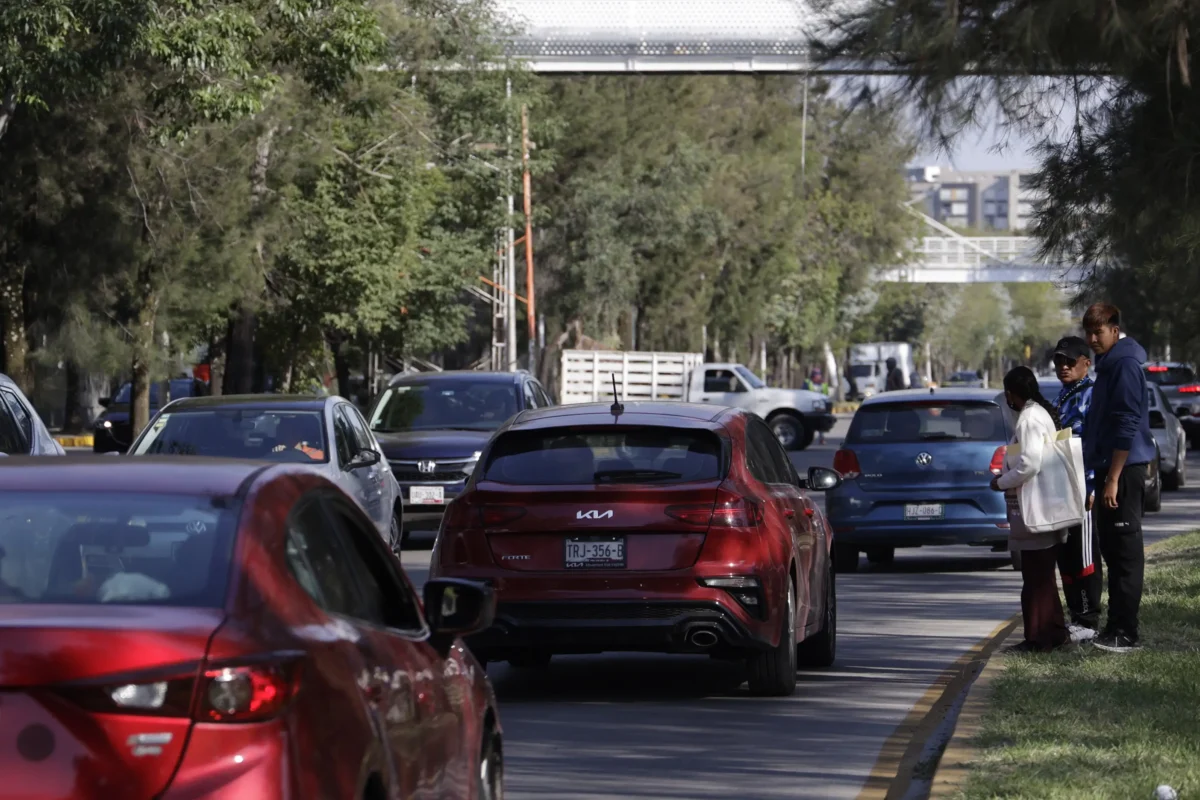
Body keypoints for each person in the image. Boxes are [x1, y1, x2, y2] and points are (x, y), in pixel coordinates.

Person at [1081, 303, 1155, 653]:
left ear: (1115, 330)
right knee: (1112, 550)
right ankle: (1114, 628)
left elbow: (1126, 424)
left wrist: (1112, 478)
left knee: (1126, 556)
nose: (1093, 339)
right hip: (1109, 469)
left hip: (1123, 470)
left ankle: (1126, 633)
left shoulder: (1124, 365)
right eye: (1089, 332)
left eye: (1099, 332)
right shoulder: (1110, 364)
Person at [991, 366, 1069, 653]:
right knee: (1042, 576)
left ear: (1011, 394)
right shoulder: (1038, 413)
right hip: (1043, 505)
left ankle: (1039, 639)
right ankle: (1054, 633)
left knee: (1036, 578)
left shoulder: (1029, 418)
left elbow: (1030, 464)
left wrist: (1001, 482)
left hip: (1037, 508)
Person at [1051, 336, 1103, 642]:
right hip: (1062, 486)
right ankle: (1075, 616)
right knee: (1067, 554)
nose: (1063, 366)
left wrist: (1092, 485)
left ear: (1086, 362)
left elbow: (1094, 443)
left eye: (1070, 361)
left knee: (1084, 556)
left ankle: (1088, 618)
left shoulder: (1091, 395)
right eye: (1059, 361)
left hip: (1083, 486)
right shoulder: (1063, 395)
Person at [803, 368, 832, 443]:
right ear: (812, 376)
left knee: (821, 423)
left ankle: (821, 438)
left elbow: (826, 395)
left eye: (819, 375)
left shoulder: (824, 384)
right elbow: (803, 393)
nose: (818, 377)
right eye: (816, 375)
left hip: (820, 406)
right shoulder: (807, 383)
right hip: (810, 406)